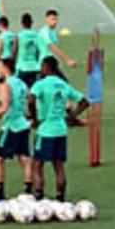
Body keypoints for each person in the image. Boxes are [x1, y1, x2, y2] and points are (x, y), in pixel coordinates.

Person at [28, 56, 91, 203]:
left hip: (45, 130)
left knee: (37, 165)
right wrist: (72, 117)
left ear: (47, 68)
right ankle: (60, 197)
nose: (41, 69)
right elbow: (84, 101)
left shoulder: (40, 84)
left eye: (42, 67)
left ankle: (39, 197)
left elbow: (31, 100)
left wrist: (35, 118)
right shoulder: (63, 85)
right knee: (59, 166)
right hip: (61, 130)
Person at [0, 57, 32, 203]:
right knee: (24, 158)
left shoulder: (7, 85)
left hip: (11, 126)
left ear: (5, 67)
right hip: (23, 124)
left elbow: (4, 108)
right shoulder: (22, 83)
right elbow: (28, 101)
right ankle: (29, 190)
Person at [14, 12, 45, 87]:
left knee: (22, 91)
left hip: (22, 68)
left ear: (22, 23)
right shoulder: (37, 35)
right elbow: (39, 52)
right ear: (32, 23)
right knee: (33, 91)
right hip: (34, 67)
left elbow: (14, 52)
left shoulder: (19, 36)